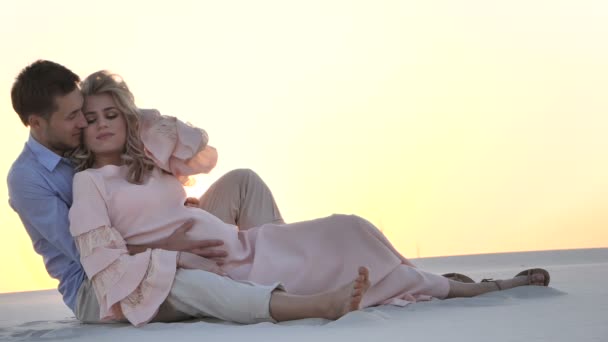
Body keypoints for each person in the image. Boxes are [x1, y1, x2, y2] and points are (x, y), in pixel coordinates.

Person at [68, 70, 551, 327]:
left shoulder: (150, 158)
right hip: (219, 268)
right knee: (370, 269)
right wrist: (178, 256)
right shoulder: (88, 185)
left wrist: (139, 113)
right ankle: (480, 288)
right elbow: (104, 264)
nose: (103, 124)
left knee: (349, 226)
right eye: (91, 118)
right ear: (79, 130)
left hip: (250, 243)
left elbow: (195, 145)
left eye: (113, 113)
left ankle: (450, 281)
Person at [7, 60, 289, 324]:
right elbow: (91, 255)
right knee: (184, 279)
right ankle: (275, 301)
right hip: (101, 286)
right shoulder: (28, 179)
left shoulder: (85, 136)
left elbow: (164, 140)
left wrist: (126, 112)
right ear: (36, 123)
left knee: (243, 182)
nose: (83, 122)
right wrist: (167, 246)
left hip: (160, 238)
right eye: (72, 116)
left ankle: (283, 265)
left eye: (82, 111)